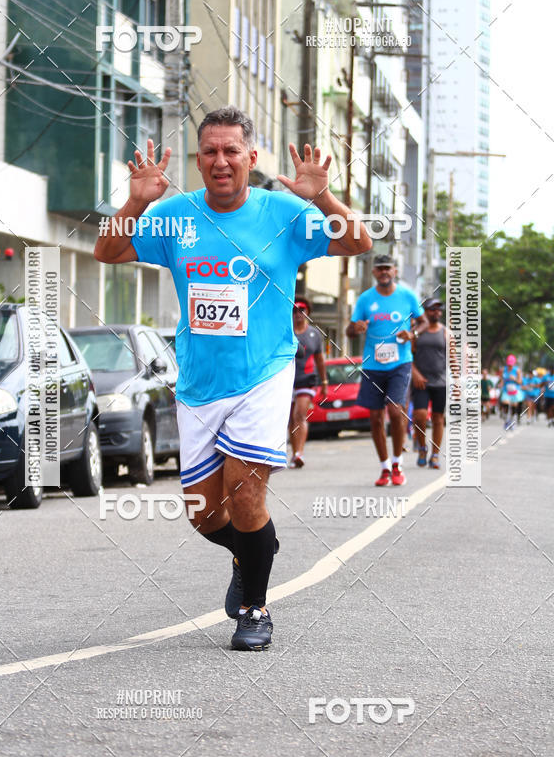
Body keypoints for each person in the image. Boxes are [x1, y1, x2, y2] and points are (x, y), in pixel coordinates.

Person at [94, 106, 372, 651]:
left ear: (250, 157)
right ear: (198, 160)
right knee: (204, 514)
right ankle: (254, 553)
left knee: (246, 492)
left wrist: (322, 198)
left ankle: (254, 609)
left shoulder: (285, 213)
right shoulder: (175, 216)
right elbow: (108, 251)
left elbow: (358, 243)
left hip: (264, 373)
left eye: (231, 151)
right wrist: (135, 201)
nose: (220, 161)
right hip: (199, 381)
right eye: (210, 152)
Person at [346, 254, 427, 487]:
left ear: (395, 271)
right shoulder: (365, 299)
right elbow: (350, 330)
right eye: (379, 269)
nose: (384, 272)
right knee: (374, 418)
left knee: (394, 410)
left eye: (388, 269)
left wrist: (413, 334)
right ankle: (384, 468)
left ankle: (397, 463)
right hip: (372, 364)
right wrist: (356, 328)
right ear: (373, 272)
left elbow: (421, 322)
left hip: (400, 362)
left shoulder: (407, 296)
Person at [288, 298, 328, 468]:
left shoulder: (314, 334)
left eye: (302, 310)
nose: (298, 314)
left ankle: (299, 453)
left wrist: (324, 381)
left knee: (300, 415)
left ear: (308, 312)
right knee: (290, 418)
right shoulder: (286, 331)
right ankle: (294, 452)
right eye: (295, 310)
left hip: (307, 380)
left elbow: (320, 359)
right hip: (287, 380)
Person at [411, 298, 447, 469]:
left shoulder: (446, 333)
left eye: (439, 310)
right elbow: (407, 356)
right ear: (424, 312)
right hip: (421, 382)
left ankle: (435, 455)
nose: (436, 313)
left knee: (439, 418)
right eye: (432, 309)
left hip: (440, 382)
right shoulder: (416, 332)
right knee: (419, 415)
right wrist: (415, 374)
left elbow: (453, 359)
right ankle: (422, 448)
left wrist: (456, 384)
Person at [499, 354, 523, 431]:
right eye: (509, 364)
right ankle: (506, 420)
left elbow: (520, 382)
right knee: (505, 403)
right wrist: (501, 384)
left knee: (514, 406)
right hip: (506, 390)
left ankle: (512, 421)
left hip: (515, 391)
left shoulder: (517, 370)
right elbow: (502, 380)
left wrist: (514, 378)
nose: (510, 366)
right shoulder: (503, 370)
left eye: (511, 365)